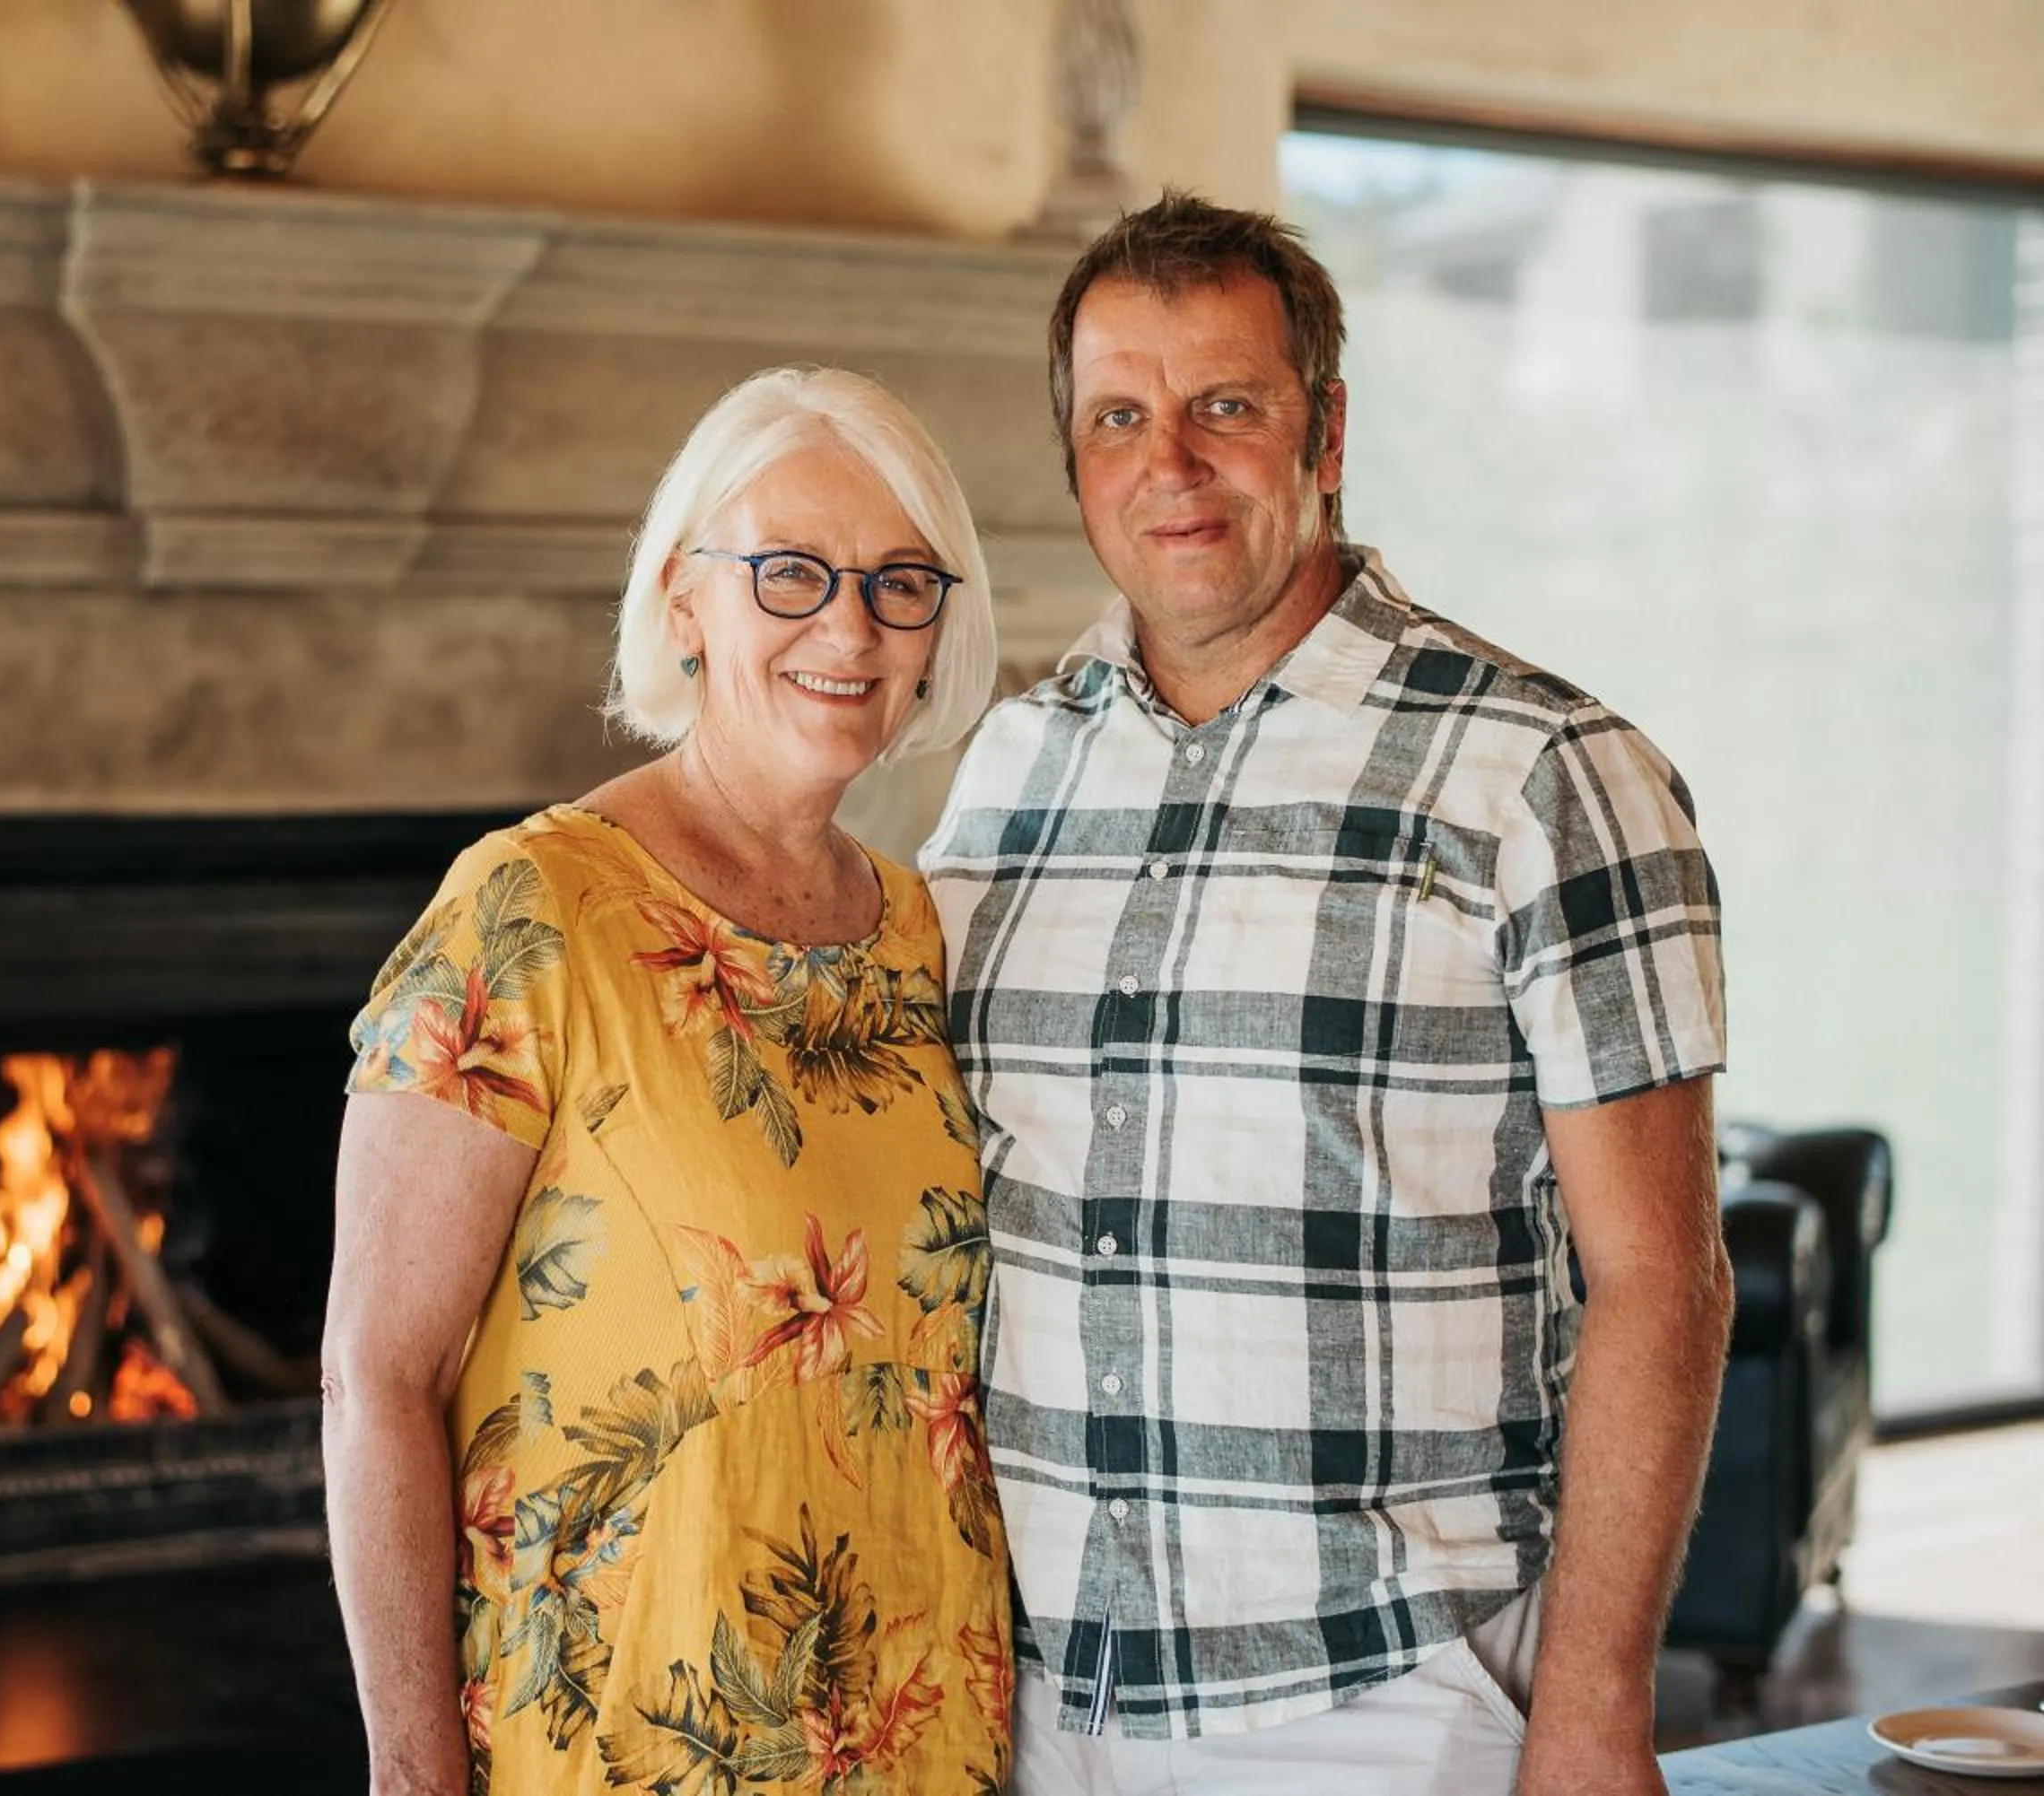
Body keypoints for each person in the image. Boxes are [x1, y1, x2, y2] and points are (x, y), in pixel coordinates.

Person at [922, 191, 1733, 1796]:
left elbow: (1666, 1278)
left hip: (1385, 1693)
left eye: (1228, 404)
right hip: (1032, 1690)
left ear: (1326, 429)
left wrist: (1592, 1711)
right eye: (1120, 416)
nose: (1173, 460)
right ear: (1075, 454)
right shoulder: (1004, 771)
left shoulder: (1548, 773)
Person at [325, 366, 1013, 1796]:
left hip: (925, 1736)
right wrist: (409, 1770)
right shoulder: (530, 908)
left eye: (900, 582)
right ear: (683, 597)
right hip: (628, 1740)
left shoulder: (921, 930)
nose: (850, 626)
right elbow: (374, 1373)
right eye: (789, 573)